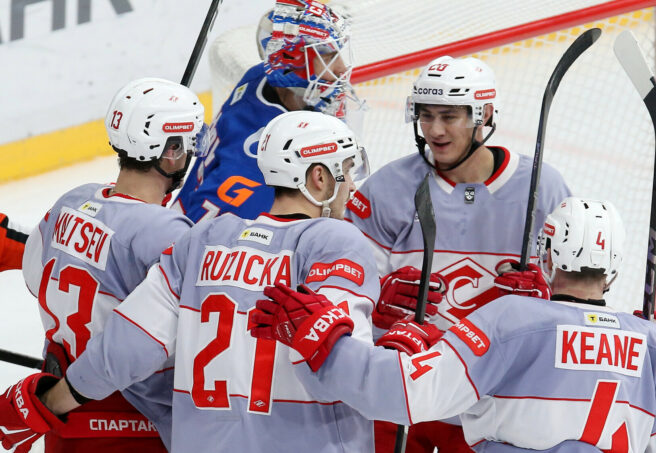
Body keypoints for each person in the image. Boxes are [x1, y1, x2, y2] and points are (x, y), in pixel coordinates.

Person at [1, 111, 379, 452]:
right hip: (268, 437)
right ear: (318, 177)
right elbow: (353, 375)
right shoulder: (335, 242)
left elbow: (124, 347)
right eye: (346, 170)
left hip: (147, 425)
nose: (351, 184)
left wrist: (45, 403)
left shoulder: (201, 241)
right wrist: (399, 347)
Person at [250, 197, 656, 452]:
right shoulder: (655, 344)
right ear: (613, 269)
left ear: (548, 257)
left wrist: (327, 344)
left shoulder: (513, 319)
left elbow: (408, 394)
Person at [345, 55, 571, 451]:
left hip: (491, 399)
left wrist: (549, 301)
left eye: (449, 117)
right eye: (426, 115)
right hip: (404, 389)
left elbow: (575, 299)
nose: (434, 130)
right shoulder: (388, 188)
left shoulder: (543, 188)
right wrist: (374, 301)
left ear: (484, 115)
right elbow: (343, 290)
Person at [0, 77, 205, 453]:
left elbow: (36, 276)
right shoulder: (166, 232)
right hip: (134, 428)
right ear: (172, 151)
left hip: (62, 422)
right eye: (189, 143)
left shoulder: (73, 201)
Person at [173, 0, 362, 223]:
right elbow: (205, 232)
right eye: (328, 57)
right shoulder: (261, 162)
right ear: (293, 63)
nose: (341, 68)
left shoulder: (259, 78)